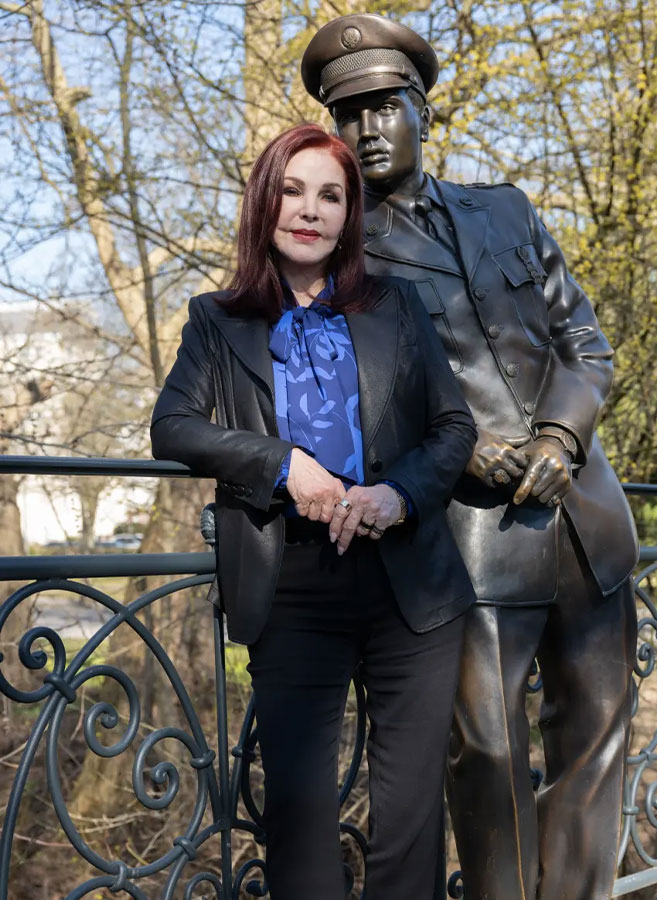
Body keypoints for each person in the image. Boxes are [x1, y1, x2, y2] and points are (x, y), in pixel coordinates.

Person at [301, 16, 640, 900]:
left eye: (385, 107)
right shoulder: (335, 255)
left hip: (586, 525)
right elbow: (345, 408)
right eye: (350, 115)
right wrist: (470, 452)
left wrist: (563, 438)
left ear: (421, 111)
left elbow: (586, 344)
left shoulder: (506, 209)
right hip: (465, 541)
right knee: (487, 752)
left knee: (597, 736)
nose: (368, 129)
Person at [150, 123, 478, 900]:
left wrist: (397, 495)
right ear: (266, 202)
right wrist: (282, 465)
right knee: (297, 823)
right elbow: (173, 426)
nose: (311, 209)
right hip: (287, 584)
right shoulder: (215, 319)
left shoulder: (398, 307)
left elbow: (454, 428)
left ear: (348, 216)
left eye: (331, 195)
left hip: (412, 591)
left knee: (408, 824)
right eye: (293, 190)